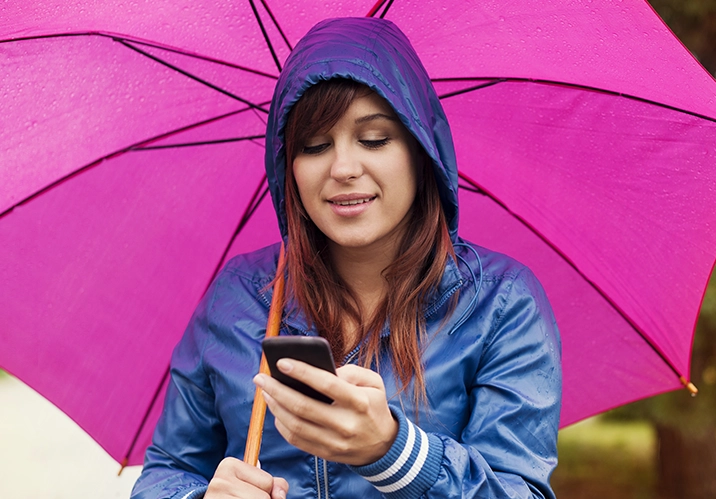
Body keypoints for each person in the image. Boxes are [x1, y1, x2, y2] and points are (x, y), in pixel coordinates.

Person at [131, 17, 561, 499]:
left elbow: (520, 490)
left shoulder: (501, 303)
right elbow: (167, 470)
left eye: (374, 139)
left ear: (421, 151)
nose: (342, 169)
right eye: (314, 146)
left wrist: (393, 450)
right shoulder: (240, 293)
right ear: (287, 167)